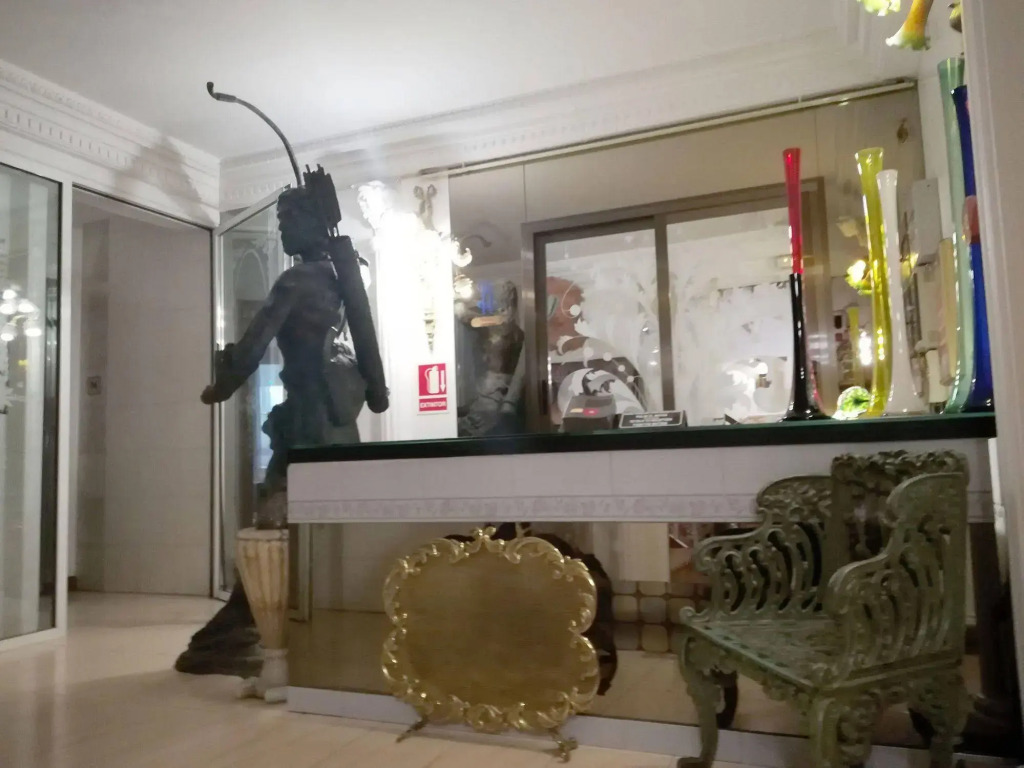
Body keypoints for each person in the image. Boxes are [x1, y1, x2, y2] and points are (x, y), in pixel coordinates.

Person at [175, 186, 388, 676]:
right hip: (339, 425)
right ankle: (297, 625)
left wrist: (219, 387)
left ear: (313, 223)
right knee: (319, 529)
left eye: (289, 218)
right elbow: (362, 354)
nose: (282, 228)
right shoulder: (342, 278)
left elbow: (252, 349)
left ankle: (235, 633)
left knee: (274, 526)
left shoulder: (295, 281)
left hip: (307, 424)